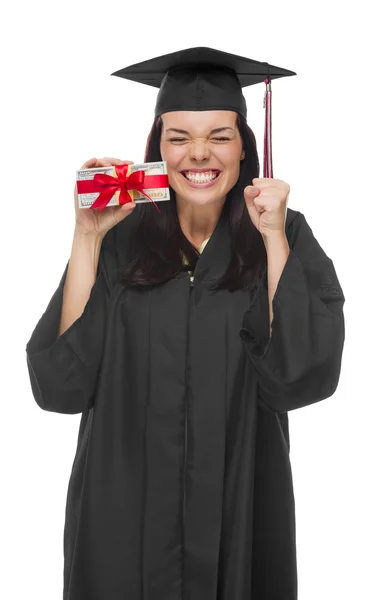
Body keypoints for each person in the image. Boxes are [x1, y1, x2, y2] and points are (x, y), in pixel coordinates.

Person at [25, 47, 346, 600]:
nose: (199, 153)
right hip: (122, 521)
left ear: (245, 145)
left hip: (240, 509)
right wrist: (86, 237)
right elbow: (60, 386)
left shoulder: (285, 234)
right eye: (178, 137)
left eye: (220, 135)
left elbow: (301, 377)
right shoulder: (118, 238)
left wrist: (271, 237)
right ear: (157, 149)